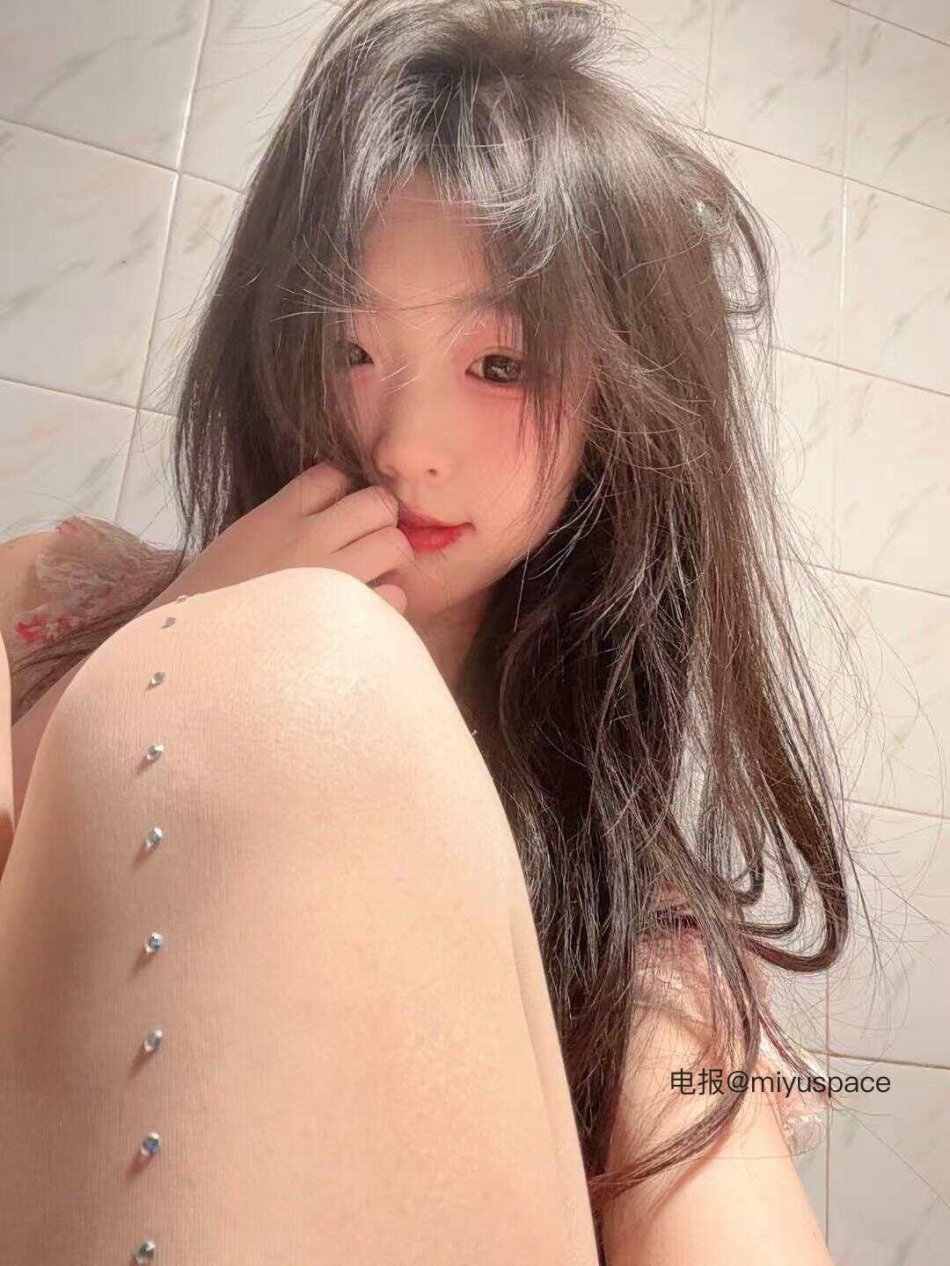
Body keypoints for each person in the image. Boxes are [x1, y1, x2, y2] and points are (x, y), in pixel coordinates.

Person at [0, 1, 861, 1262]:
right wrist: (172, 652)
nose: (403, 446)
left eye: (500, 367)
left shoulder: (626, 912)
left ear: (617, 408)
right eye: (346, 348)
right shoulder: (51, 604)